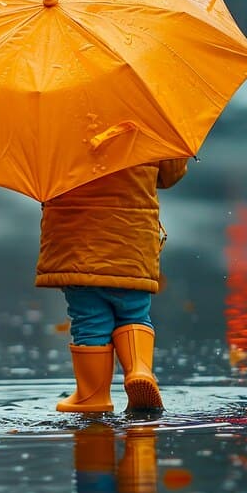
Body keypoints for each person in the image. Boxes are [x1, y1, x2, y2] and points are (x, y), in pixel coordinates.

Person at [37, 158, 188, 412]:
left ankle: (92, 396)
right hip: (133, 242)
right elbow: (170, 175)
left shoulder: (54, 124)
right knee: (134, 311)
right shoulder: (147, 120)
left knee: (89, 320)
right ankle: (139, 370)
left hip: (76, 244)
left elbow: (39, 177)